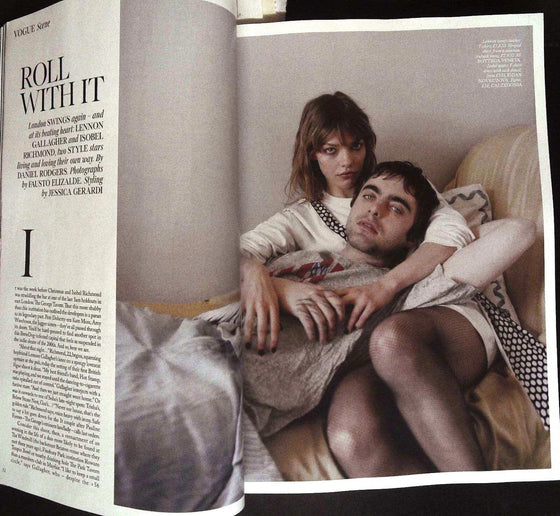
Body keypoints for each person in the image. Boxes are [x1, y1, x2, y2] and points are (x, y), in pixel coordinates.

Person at [240, 92, 473, 353]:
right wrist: (272, 283)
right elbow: (237, 255)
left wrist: (385, 287)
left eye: (356, 146)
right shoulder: (299, 218)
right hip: (334, 336)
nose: (347, 161)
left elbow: (454, 232)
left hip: (402, 322)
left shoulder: (397, 184)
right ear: (312, 154)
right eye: (331, 150)